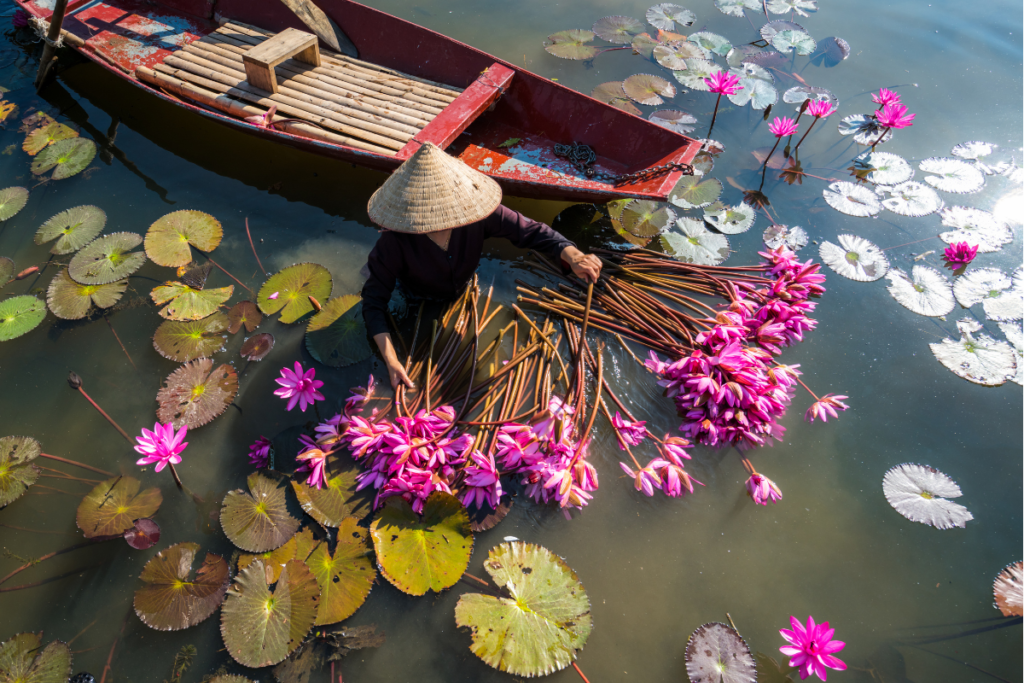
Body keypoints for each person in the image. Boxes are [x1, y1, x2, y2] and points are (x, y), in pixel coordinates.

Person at [361, 142, 602, 391]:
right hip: (415, 295)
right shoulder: (394, 241)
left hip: (461, 287)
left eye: (446, 210)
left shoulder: (476, 214)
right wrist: (391, 359)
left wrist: (572, 254)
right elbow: (373, 302)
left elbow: (530, 230)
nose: (441, 220)